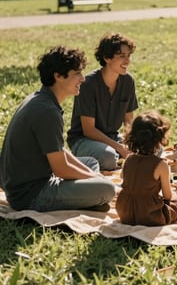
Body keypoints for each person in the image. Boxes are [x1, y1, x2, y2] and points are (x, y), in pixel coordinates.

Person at [0, 46, 115, 212]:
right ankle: (88, 198)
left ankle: (86, 196)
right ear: (58, 76)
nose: (83, 79)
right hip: (31, 195)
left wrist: (93, 176)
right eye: (77, 73)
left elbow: (59, 151)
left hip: (35, 178)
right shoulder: (47, 112)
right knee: (107, 189)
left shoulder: (41, 99)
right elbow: (61, 169)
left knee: (91, 163)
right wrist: (94, 179)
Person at [67, 33, 138, 171]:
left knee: (153, 150)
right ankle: (81, 160)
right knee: (108, 156)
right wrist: (119, 148)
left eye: (128, 55)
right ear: (107, 58)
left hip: (113, 138)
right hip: (84, 140)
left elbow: (129, 120)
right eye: (122, 56)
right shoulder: (88, 84)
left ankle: (117, 162)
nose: (127, 61)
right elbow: (89, 130)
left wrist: (134, 142)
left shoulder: (128, 81)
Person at [116, 111, 177, 225]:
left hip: (124, 212)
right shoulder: (161, 165)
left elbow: (126, 179)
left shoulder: (128, 160)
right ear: (160, 138)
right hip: (149, 215)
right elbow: (167, 196)